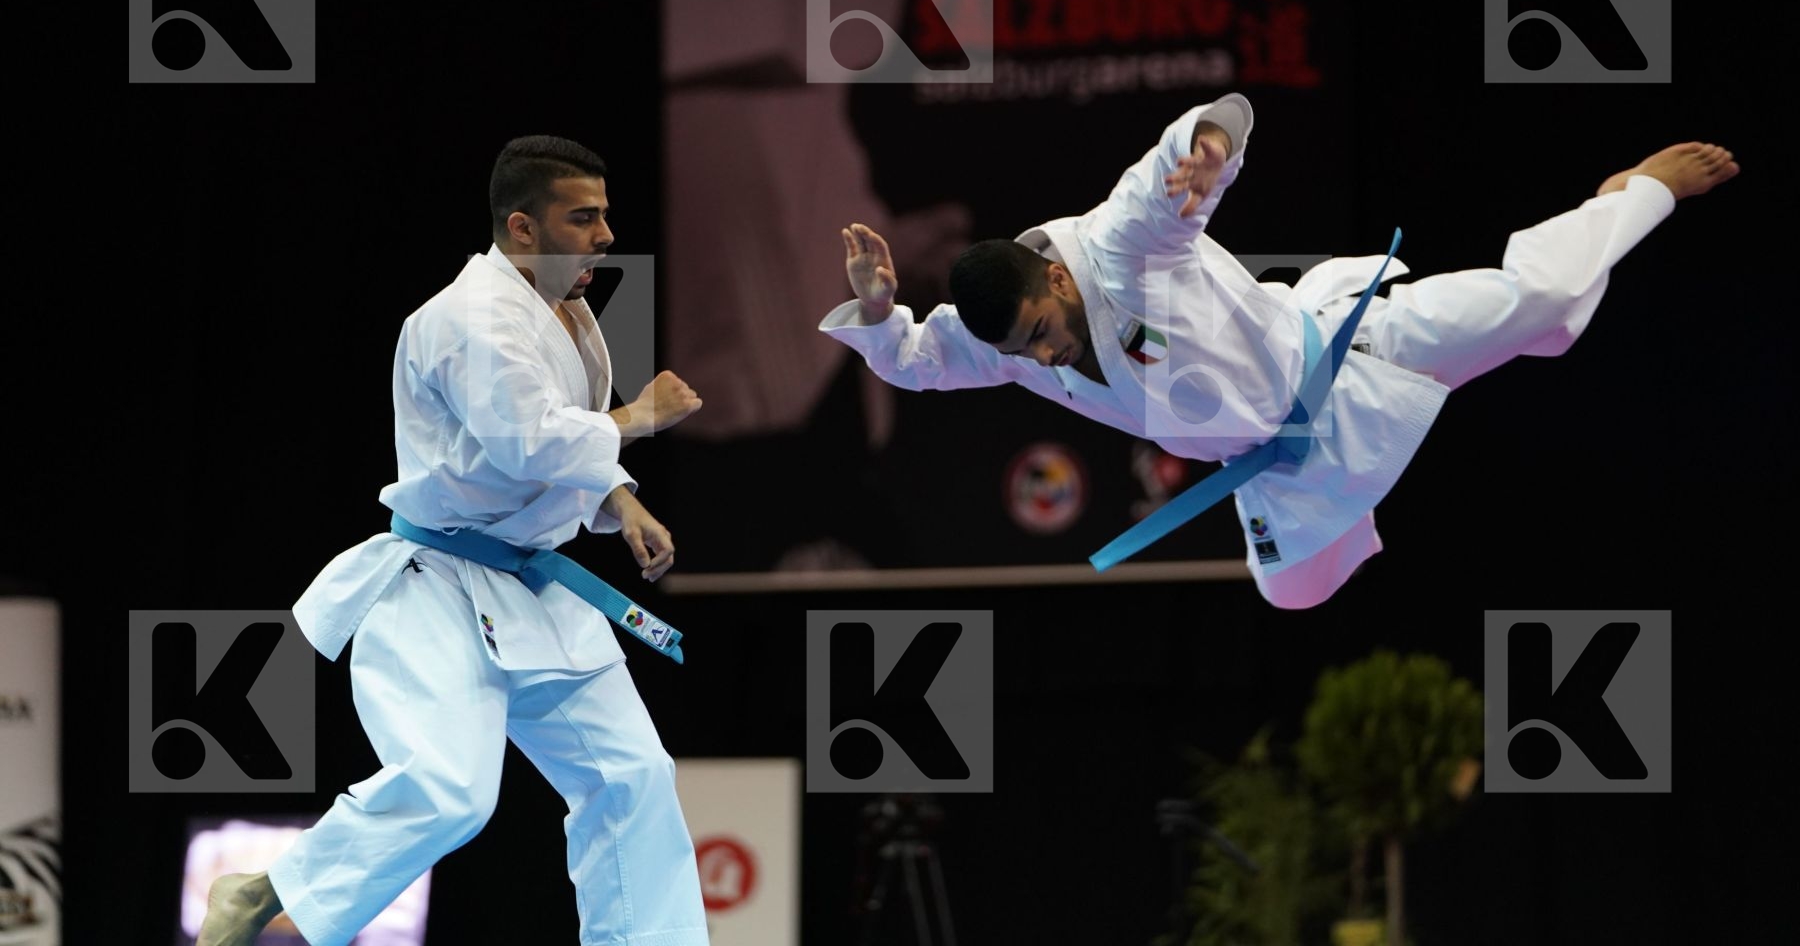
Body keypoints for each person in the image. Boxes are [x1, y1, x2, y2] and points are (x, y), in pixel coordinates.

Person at [821, 94, 1739, 608]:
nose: (1048, 358)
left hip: (1351, 354)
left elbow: (1199, 137)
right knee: (1291, 593)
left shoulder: (1122, 241)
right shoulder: (1009, 341)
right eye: (1030, 353)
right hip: (1278, 463)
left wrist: (1208, 151)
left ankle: (1633, 194)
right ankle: (1352, 501)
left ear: (1054, 282)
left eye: (1043, 334)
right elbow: (920, 359)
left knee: (1544, 303)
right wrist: (876, 307)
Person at [198, 137, 711, 946]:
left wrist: (620, 499)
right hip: (436, 583)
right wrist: (641, 417)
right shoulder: (466, 318)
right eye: (584, 218)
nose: (607, 235)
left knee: (631, 778)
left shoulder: (568, 311)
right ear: (523, 227)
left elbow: (535, 456)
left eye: (606, 214)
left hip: (531, 589)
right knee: (450, 792)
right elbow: (528, 443)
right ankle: (262, 891)